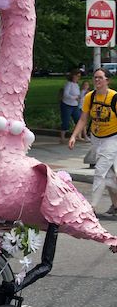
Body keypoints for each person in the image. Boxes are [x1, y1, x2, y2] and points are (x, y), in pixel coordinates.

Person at [69, 68, 117, 217]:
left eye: (100, 78)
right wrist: (74, 136)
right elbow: (84, 119)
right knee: (110, 176)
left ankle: (92, 207)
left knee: (100, 172)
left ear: (107, 80)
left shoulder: (114, 97)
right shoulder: (90, 97)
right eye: (95, 78)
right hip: (97, 138)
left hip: (112, 138)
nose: (97, 80)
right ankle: (116, 206)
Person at [60, 69, 81, 144]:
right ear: (73, 76)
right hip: (67, 104)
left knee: (78, 119)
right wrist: (74, 97)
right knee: (66, 121)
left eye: (79, 76)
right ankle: (62, 137)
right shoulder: (69, 84)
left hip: (75, 105)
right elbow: (66, 94)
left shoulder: (76, 85)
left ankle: (77, 136)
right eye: (77, 76)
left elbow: (78, 94)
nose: (78, 78)